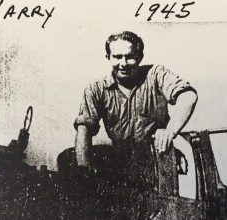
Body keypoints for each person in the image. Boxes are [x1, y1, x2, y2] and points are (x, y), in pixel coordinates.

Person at [73, 31, 198, 218]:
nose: (123, 64)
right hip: (119, 160)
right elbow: (84, 128)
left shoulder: (156, 74)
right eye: (117, 57)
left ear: (140, 57)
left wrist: (170, 131)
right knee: (69, 161)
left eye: (130, 57)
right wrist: (84, 170)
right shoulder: (96, 88)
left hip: (154, 157)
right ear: (108, 57)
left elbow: (188, 96)